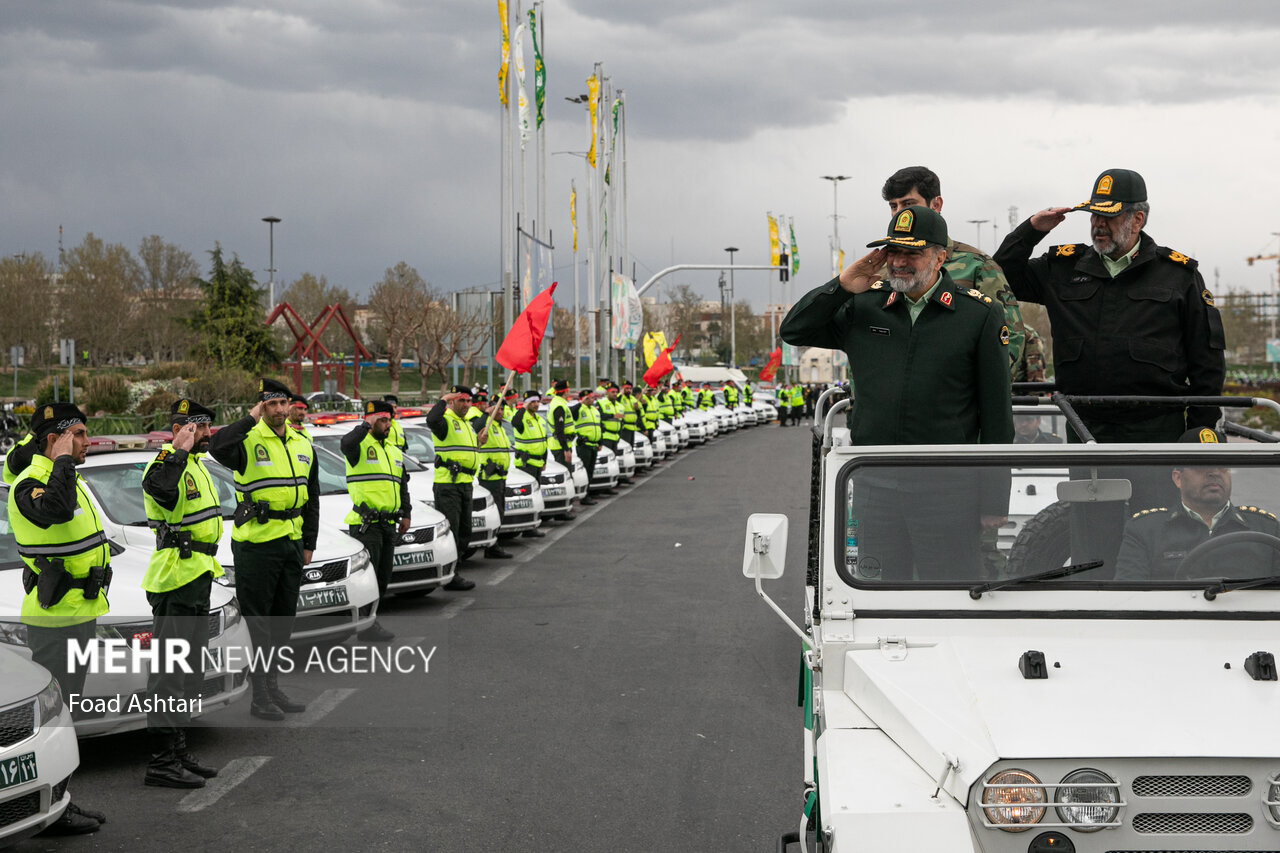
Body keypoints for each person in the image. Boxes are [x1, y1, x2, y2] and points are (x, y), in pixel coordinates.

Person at [780, 206, 1013, 580]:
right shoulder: (864, 305)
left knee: (951, 592)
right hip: (877, 484)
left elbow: (997, 412)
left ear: (940, 258)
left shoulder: (978, 315)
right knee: (879, 595)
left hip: (947, 488)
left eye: (912, 253)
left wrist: (994, 498)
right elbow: (794, 331)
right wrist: (841, 286)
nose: (899, 262)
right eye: (893, 251)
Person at [994, 168, 1225, 441]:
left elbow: (1207, 362)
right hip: (1083, 427)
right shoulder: (1062, 269)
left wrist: (1199, 431)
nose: (1098, 223)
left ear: (1137, 219)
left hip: (1156, 428)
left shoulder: (1177, 275)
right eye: (1094, 215)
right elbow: (1000, 275)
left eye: (1109, 216)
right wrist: (1031, 229)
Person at [8, 403, 109, 833]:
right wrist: (63, 460)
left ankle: (61, 802)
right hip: (55, 623)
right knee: (53, 723)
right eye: (80, 435)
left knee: (68, 720)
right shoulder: (30, 485)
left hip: (79, 615)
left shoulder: (65, 477)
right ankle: (52, 811)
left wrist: (65, 462)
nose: (88, 442)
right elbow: (57, 512)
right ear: (54, 440)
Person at [208, 378, 319, 721]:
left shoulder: (302, 442)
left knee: (283, 622)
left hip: (291, 541)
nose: (279, 410)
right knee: (260, 624)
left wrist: (309, 543)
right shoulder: (247, 440)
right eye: (271, 404)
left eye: (283, 403)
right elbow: (217, 446)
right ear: (262, 407)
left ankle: (272, 686)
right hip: (256, 546)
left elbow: (312, 496)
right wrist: (251, 417)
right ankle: (260, 697)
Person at [138, 398, 223, 788]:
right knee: (168, 675)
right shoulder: (165, 464)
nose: (206, 434)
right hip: (174, 580)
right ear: (179, 430)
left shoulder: (195, 465)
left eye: (205, 427)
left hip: (198, 575)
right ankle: (161, 763)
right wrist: (178, 450)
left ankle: (179, 750)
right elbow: (159, 488)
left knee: (189, 673)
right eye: (198, 428)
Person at [881, 165, 1027, 378]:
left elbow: (1009, 338)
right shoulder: (885, 269)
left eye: (908, 204)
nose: (900, 214)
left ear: (936, 204)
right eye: (893, 206)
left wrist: (970, 393)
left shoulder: (978, 266)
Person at [1116, 430, 1280, 580]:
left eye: (1222, 465)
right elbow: (1128, 597)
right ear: (1178, 478)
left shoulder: (1266, 529)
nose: (1214, 472)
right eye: (1202, 464)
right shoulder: (1146, 531)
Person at [339, 400, 410, 643]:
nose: (387, 424)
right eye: (381, 419)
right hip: (366, 524)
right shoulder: (358, 446)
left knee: (382, 578)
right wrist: (364, 426)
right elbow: (345, 443)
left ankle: (370, 621)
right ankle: (366, 626)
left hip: (388, 524)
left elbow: (402, 484)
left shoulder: (392, 449)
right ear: (370, 420)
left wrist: (406, 512)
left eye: (389, 419)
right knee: (367, 581)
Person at [424, 386, 480, 589]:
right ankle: (451, 575)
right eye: (461, 400)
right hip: (449, 485)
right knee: (453, 533)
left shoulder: (466, 424)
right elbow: (431, 420)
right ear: (453, 402)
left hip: (465, 483)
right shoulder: (446, 421)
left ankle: (455, 569)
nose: (465, 405)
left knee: (465, 532)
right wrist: (443, 400)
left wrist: (477, 442)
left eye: (468, 401)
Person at [467, 392, 515, 559]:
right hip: (489, 478)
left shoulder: (499, 426)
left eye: (502, 409)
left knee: (500, 512)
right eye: (498, 409)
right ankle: (492, 546)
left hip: (500, 477)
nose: (500, 412)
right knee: (495, 512)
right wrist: (487, 413)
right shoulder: (486, 423)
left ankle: (494, 545)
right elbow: (475, 427)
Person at [511, 390, 549, 478]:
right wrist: (523, 407)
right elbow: (515, 422)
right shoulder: (522, 419)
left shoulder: (540, 419)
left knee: (536, 490)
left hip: (538, 463)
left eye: (538, 401)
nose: (536, 404)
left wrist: (544, 461)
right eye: (532, 402)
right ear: (527, 403)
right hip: (526, 464)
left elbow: (543, 442)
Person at [575, 390, 603, 504]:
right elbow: (571, 413)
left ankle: (588, 493)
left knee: (590, 471)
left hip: (593, 445)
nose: (591, 399)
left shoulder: (594, 410)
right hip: (584, 445)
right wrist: (581, 403)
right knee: (585, 471)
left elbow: (598, 427)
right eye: (589, 398)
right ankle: (584, 496)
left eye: (592, 397)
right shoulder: (578, 409)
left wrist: (600, 442)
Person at [546, 379, 576, 468]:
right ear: (565, 392)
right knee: (565, 476)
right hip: (560, 447)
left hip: (561, 445)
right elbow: (559, 430)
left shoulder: (557, 403)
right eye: (568, 390)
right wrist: (566, 449)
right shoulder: (559, 406)